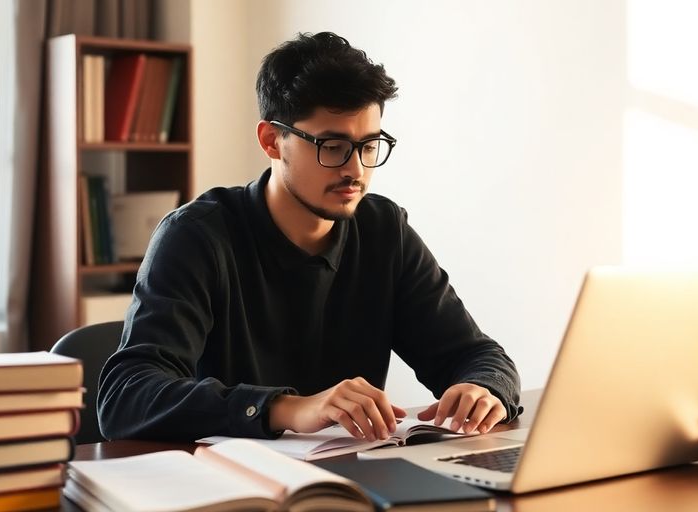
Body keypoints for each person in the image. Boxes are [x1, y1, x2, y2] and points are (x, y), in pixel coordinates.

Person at [97, 31, 522, 443]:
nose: (355, 169)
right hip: (228, 487)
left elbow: (477, 355)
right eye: (332, 146)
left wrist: (483, 390)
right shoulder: (196, 237)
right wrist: (289, 409)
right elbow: (125, 397)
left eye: (370, 145)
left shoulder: (383, 231)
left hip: (352, 481)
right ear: (271, 140)